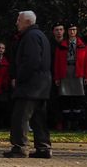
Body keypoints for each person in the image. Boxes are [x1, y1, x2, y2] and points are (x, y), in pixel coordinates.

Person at [4, 10, 52, 159]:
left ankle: (20, 147)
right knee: (38, 117)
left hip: (31, 84)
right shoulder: (41, 36)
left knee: (21, 116)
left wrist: (19, 77)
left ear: (28, 22)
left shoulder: (30, 37)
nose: (16, 23)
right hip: (43, 83)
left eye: (19, 20)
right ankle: (43, 147)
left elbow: (31, 61)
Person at [53, 24, 87, 130]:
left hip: (78, 71)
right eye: (70, 30)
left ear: (77, 31)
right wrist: (57, 77)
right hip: (65, 72)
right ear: (67, 31)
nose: (72, 32)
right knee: (65, 97)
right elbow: (56, 63)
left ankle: (76, 123)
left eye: (74, 30)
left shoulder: (82, 45)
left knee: (78, 98)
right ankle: (66, 123)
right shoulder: (62, 45)